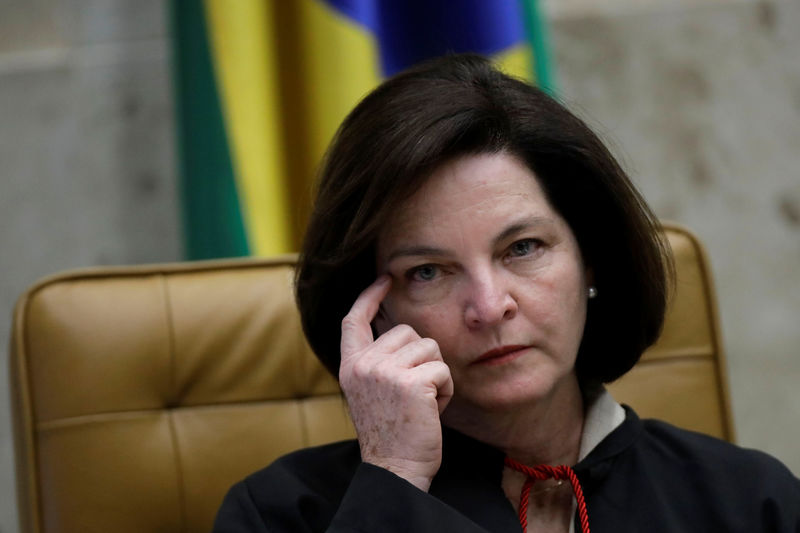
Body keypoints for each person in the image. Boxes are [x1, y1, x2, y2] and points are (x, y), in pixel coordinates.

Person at [214, 54, 799, 532]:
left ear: (590, 257)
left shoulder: (752, 501)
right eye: (428, 271)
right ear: (375, 314)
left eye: (522, 248)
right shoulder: (280, 515)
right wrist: (392, 484)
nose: (490, 306)